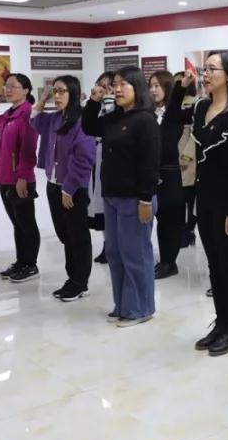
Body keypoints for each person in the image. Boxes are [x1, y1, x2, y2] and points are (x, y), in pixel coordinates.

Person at [172, 53, 228, 356]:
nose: (206, 74)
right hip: (204, 197)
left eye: (211, 69)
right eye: (204, 69)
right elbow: (172, 117)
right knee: (214, 265)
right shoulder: (201, 107)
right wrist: (181, 87)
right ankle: (220, 322)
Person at [82, 67, 160, 327]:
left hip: (136, 198)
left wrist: (146, 198)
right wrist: (93, 101)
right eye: (114, 84)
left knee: (135, 254)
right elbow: (89, 126)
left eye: (123, 84)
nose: (117, 89)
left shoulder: (145, 120)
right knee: (115, 253)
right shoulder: (114, 118)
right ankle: (123, 305)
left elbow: (150, 163)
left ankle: (140, 308)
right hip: (112, 195)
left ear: (137, 88)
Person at [31, 76, 96, 301]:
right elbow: (34, 120)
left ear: (74, 93)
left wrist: (69, 188)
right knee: (65, 235)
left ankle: (80, 282)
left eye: (62, 91)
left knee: (77, 236)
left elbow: (84, 158)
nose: (57, 96)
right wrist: (43, 99)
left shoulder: (82, 121)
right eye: (55, 91)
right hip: (54, 186)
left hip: (72, 189)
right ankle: (72, 278)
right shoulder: (54, 119)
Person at [0, 73, 41, 283]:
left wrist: (23, 177)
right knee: (17, 223)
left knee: (26, 223)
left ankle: (31, 265)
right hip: (5, 178)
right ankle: (21, 261)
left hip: (20, 179)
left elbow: (28, 149)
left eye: (13, 86)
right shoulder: (10, 113)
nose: (7, 90)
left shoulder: (27, 114)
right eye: (6, 86)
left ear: (26, 90)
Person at [144, 70, 185, 279]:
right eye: (150, 86)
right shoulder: (146, 113)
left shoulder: (174, 113)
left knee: (171, 220)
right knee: (152, 218)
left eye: (157, 86)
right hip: (150, 173)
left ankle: (169, 261)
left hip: (170, 173)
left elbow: (169, 138)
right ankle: (160, 259)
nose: (153, 90)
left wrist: (181, 88)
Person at [88, 71, 116, 264]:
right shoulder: (96, 106)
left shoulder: (116, 108)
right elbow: (88, 126)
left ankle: (114, 245)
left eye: (108, 86)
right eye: (101, 85)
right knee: (99, 206)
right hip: (95, 159)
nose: (104, 90)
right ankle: (107, 244)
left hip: (110, 160)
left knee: (109, 205)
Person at [175, 72, 199, 249]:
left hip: (188, 158)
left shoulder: (195, 103)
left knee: (189, 198)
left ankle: (188, 231)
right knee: (178, 199)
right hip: (173, 155)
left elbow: (197, 133)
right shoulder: (172, 104)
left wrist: (187, 155)